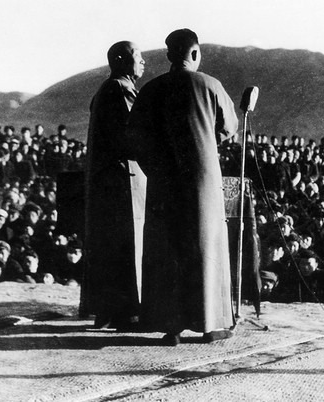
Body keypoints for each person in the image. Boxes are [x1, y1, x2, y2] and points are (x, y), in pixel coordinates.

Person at [128, 29, 238, 344]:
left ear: (169, 55)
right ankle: (209, 325)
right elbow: (228, 128)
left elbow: (134, 138)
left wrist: (156, 168)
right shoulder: (211, 85)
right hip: (203, 181)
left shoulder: (151, 89)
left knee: (167, 249)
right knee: (205, 249)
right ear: (194, 53)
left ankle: (171, 327)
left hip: (164, 181)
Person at [79, 40, 146, 330]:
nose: (143, 61)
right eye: (137, 56)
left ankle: (107, 311)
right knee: (126, 246)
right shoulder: (121, 89)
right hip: (122, 181)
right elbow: (134, 135)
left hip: (108, 182)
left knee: (109, 247)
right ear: (121, 60)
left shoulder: (105, 90)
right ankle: (126, 314)